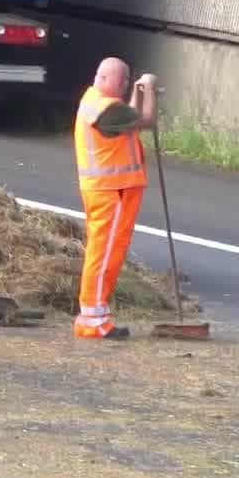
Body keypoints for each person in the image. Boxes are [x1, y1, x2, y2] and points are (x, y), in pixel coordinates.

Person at [71, 57, 157, 340]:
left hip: (111, 189)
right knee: (103, 254)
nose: (123, 89)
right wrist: (151, 89)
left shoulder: (98, 100)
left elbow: (129, 117)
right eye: (123, 84)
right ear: (113, 81)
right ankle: (92, 319)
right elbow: (145, 120)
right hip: (110, 191)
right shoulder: (106, 110)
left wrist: (139, 92)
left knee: (109, 252)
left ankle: (98, 315)